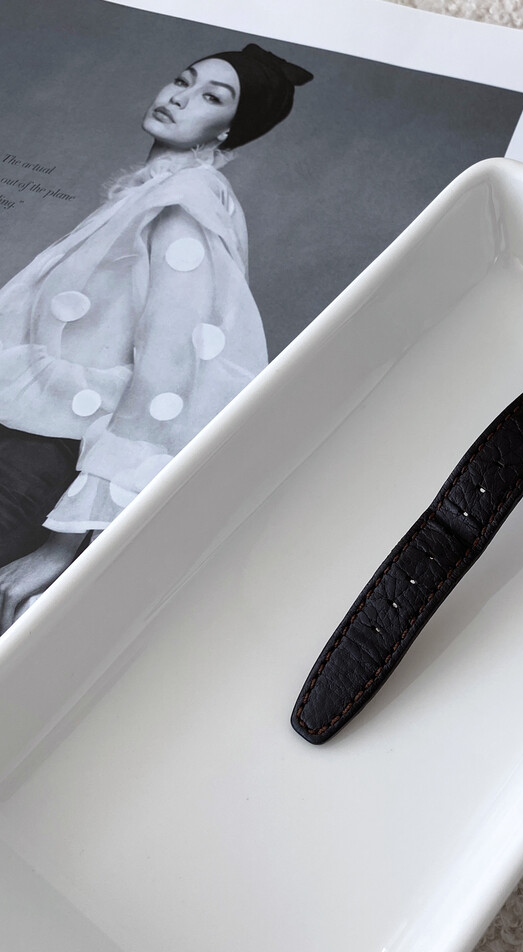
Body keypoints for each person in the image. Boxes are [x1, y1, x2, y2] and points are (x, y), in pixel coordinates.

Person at [0, 44, 312, 631]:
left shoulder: (187, 202)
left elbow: (167, 380)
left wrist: (59, 548)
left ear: (229, 129)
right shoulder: (151, 192)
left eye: (211, 97)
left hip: (38, 459)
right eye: (182, 80)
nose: (180, 97)